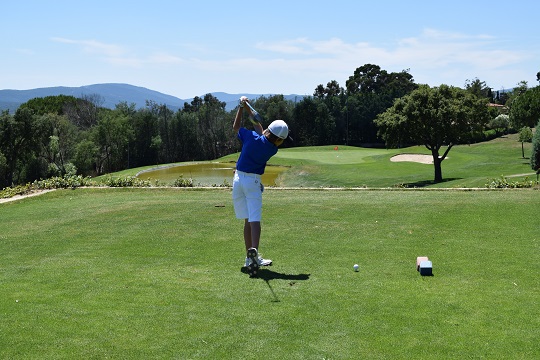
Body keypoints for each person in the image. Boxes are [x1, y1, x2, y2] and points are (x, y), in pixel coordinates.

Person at [232, 96, 289, 276]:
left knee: (247, 220)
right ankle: (254, 252)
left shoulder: (250, 137)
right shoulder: (272, 148)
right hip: (253, 183)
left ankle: (249, 257)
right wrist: (247, 108)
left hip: (238, 180)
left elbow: (237, 128)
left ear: (267, 131)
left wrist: (242, 107)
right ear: (279, 140)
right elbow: (261, 129)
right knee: (255, 220)